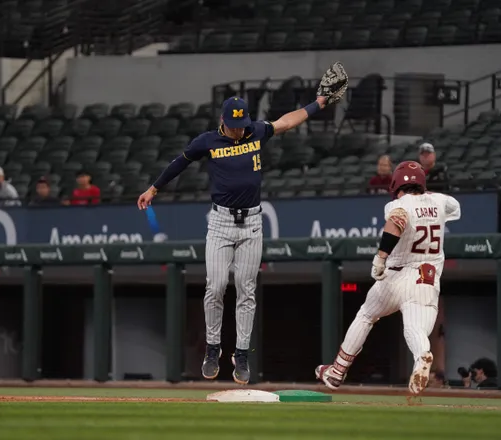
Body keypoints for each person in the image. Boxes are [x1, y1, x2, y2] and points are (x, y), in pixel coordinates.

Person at [137, 62, 349, 385]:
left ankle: (241, 354)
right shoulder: (207, 141)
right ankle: (212, 348)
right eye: (235, 125)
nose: (240, 130)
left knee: (247, 291)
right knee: (216, 286)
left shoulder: (255, 131)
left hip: (251, 224)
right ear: (224, 121)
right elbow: (180, 162)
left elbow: (286, 122)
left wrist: (318, 103)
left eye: (243, 124)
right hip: (220, 223)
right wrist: (154, 188)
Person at [315, 161, 461, 395]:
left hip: (394, 278)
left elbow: (397, 220)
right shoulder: (441, 200)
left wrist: (380, 258)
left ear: (395, 184)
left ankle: (337, 371)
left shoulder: (398, 204)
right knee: (415, 330)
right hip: (425, 279)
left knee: (366, 315)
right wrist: (428, 197)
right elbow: (454, 206)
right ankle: (422, 355)